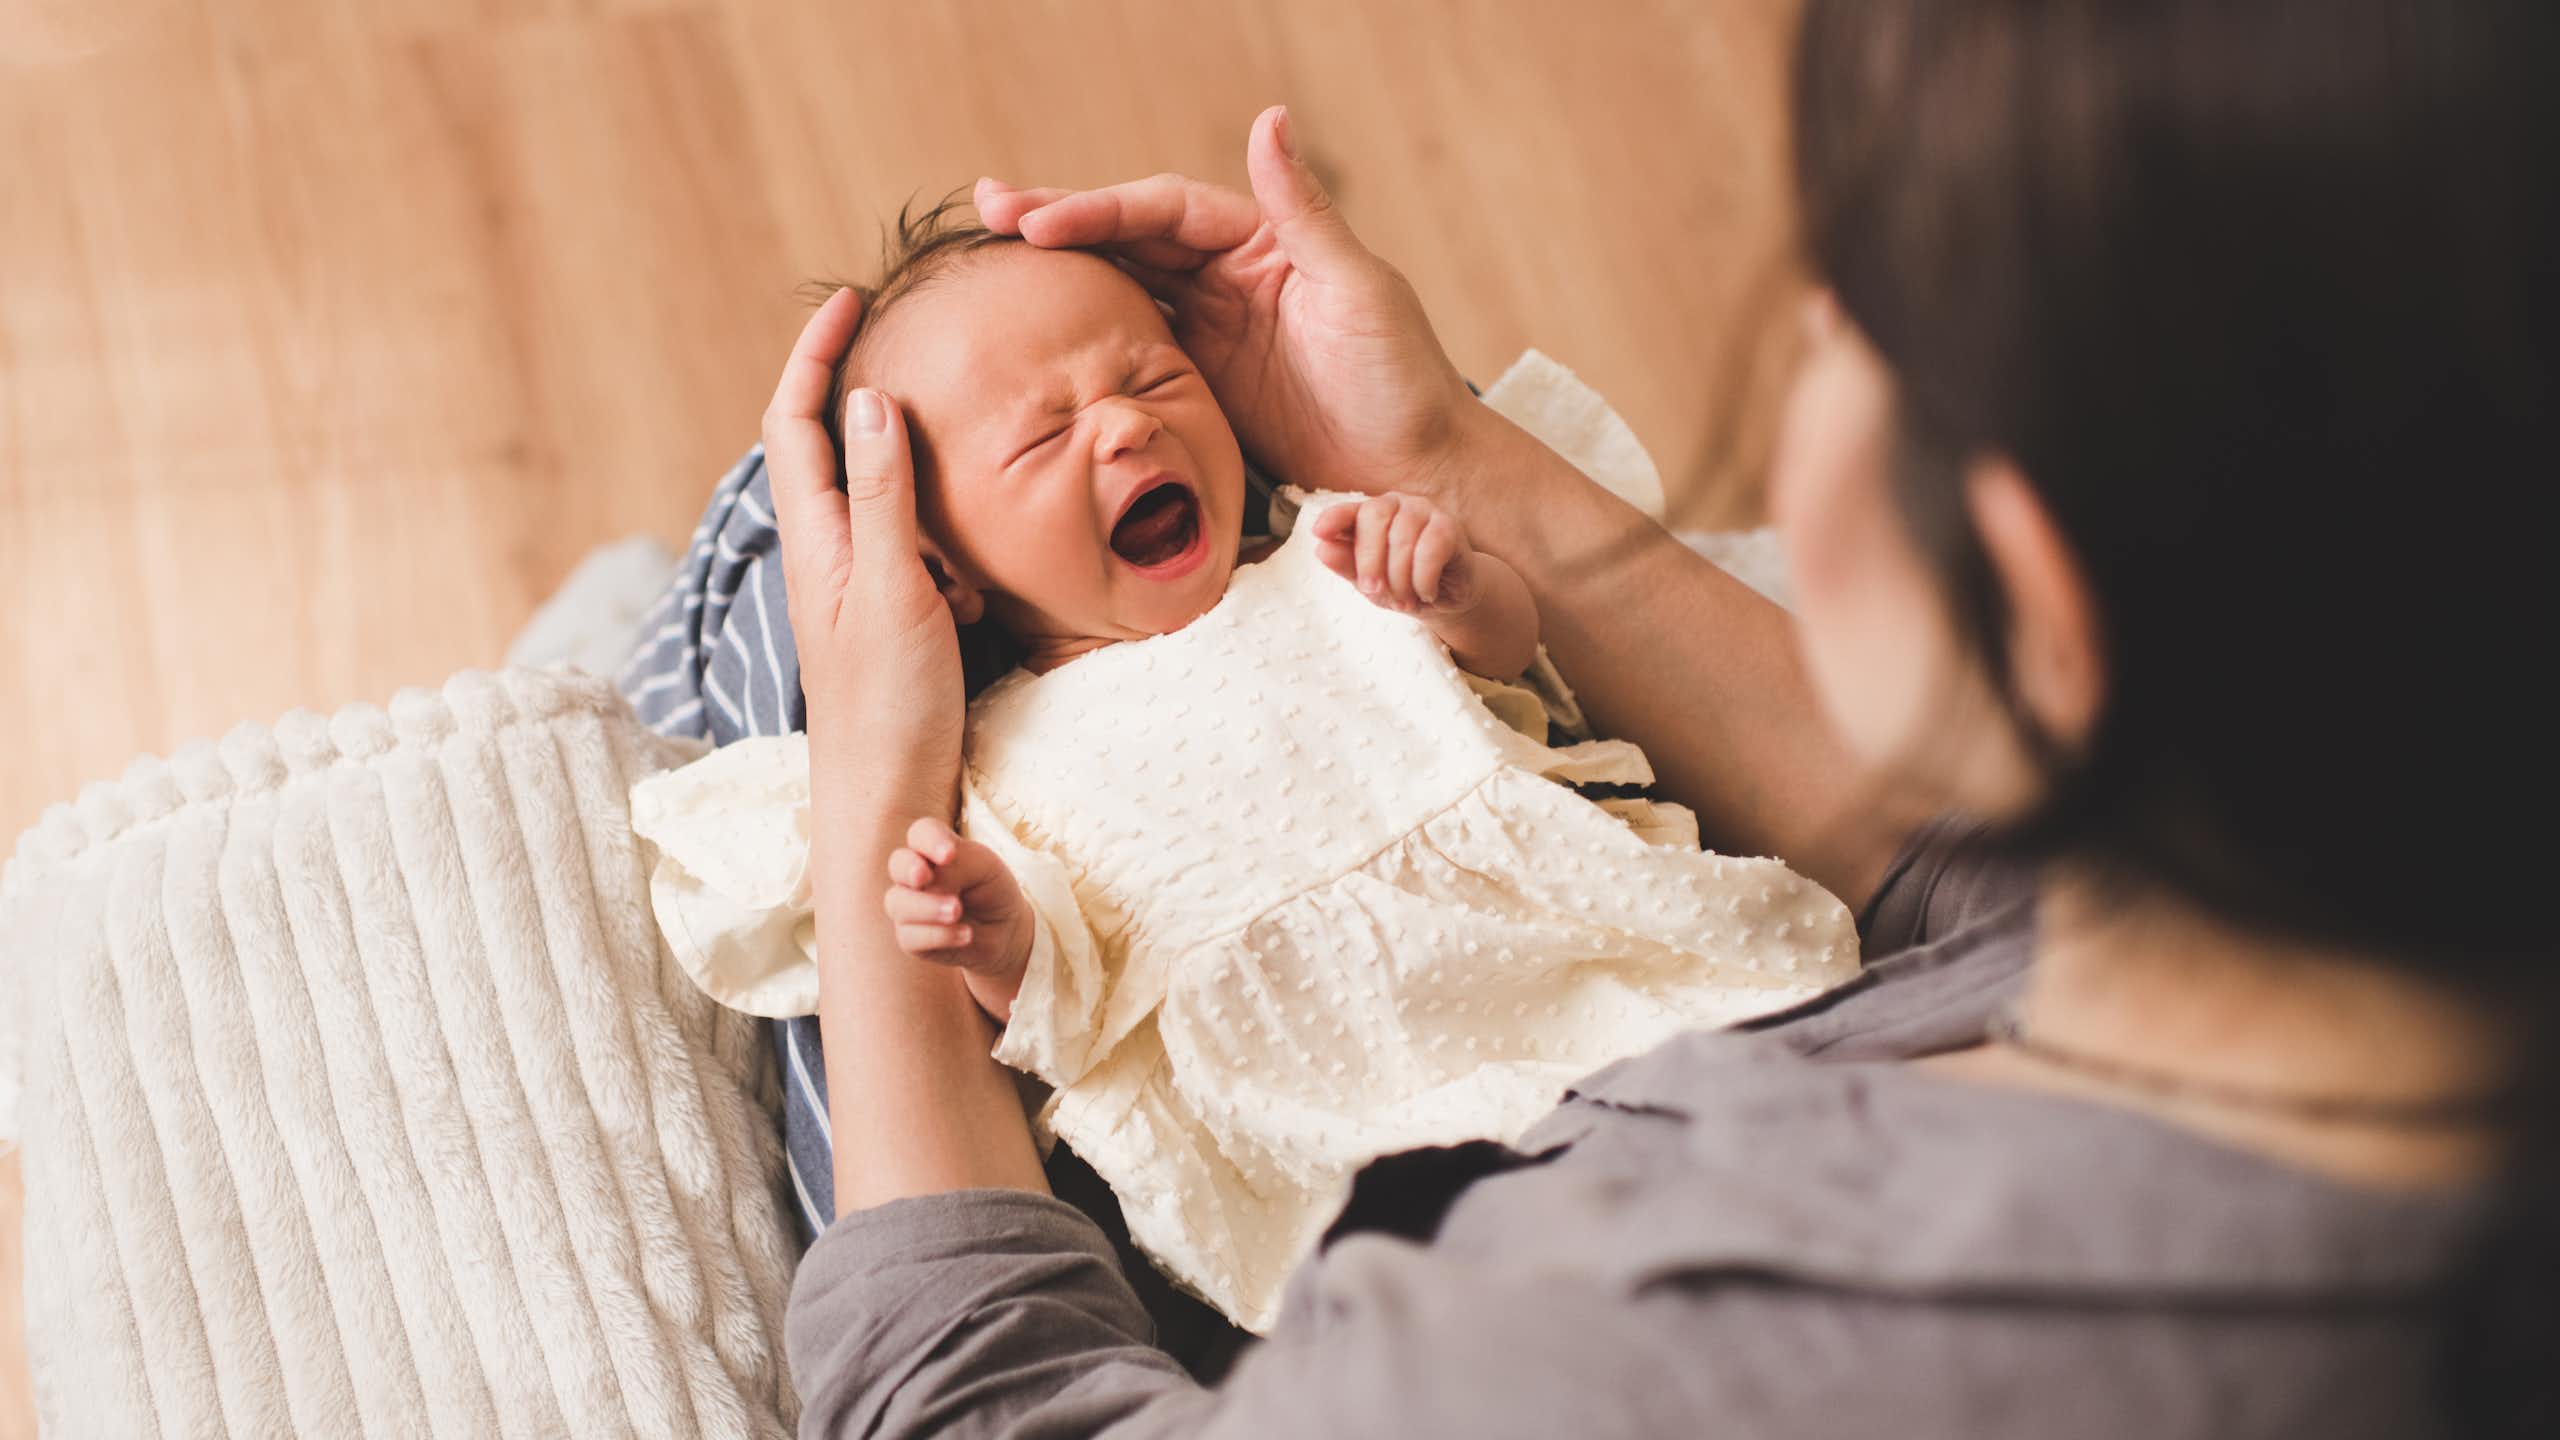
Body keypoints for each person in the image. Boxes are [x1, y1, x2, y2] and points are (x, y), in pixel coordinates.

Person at [760, 0, 2557, 1434]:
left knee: (735, 566)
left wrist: (865, 789)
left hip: (1402, 1133)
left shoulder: (1608, 1360)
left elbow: (978, 1399)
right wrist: (1443, 454)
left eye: (1854, 318)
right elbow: (2000, 913)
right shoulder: (2356, 987)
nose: (1131, 425)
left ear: (2031, 583)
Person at [631, 204, 1860, 1332]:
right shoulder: (988, 757)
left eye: (1155, 375)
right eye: (1044, 436)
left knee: (1757, 1087)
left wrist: (1451, 587)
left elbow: (1521, 691)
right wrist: (994, 934)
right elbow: (1068, 1006)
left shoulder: (1323, 556)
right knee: (1450, 1279)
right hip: (1324, 1100)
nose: (1124, 423)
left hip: (1574, 965)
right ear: (941, 573)